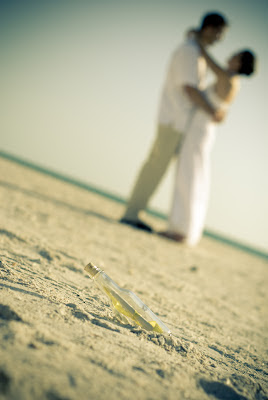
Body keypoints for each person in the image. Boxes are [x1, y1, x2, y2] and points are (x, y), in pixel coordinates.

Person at [120, 12, 228, 232]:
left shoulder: (194, 50)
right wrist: (213, 111)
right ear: (208, 28)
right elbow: (188, 88)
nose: (219, 38)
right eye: (219, 32)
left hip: (176, 120)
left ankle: (134, 212)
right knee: (155, 167)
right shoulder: (189, 51)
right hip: (173, 119)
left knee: (156, 167)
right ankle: (132, 214)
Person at [159, 41, 256, 245]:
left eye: (236, 55)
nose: (231, 56)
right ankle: (181, 227)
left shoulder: (228, 78)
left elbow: (211, 64)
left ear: (240, 63)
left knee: (190, 176)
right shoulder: (228, 80)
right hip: (198, 128)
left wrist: (198, 43)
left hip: (200, 130)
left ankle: (181, 229)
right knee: (190, 175)